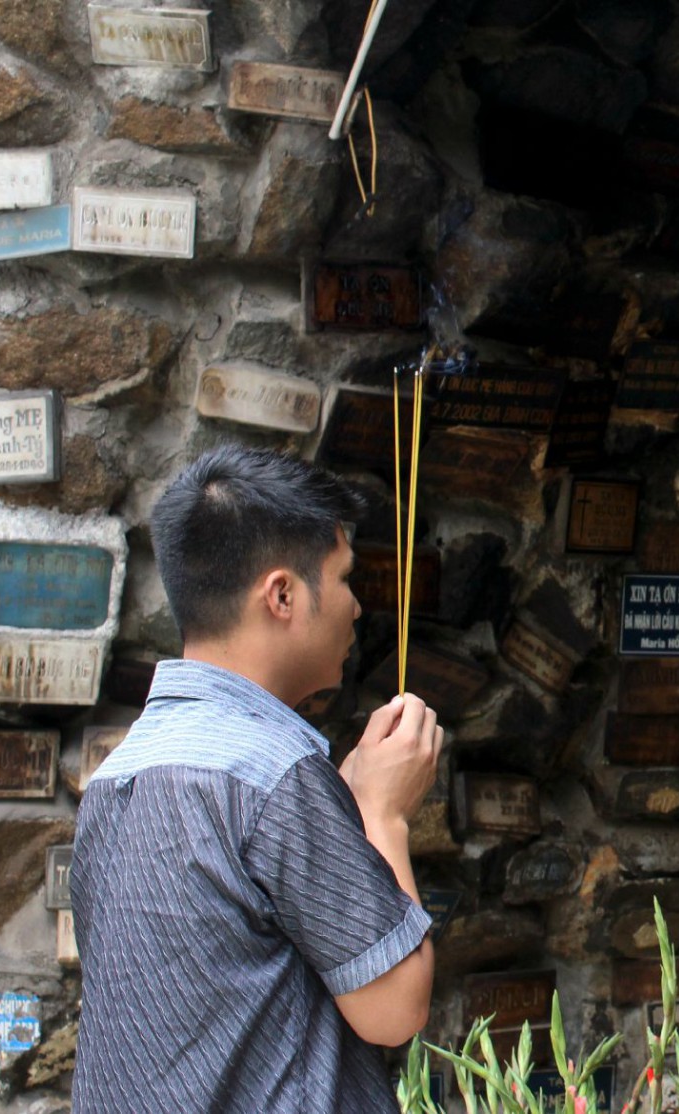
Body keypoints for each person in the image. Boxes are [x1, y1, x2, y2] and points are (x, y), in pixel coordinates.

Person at [71, 446, 442, 1113]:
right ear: (282, 595)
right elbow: (394, 1009)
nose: (357, 608)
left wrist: (350, 806)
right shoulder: (274, 773)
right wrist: (385, 815)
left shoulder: (118, 770)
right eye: (345, 578)